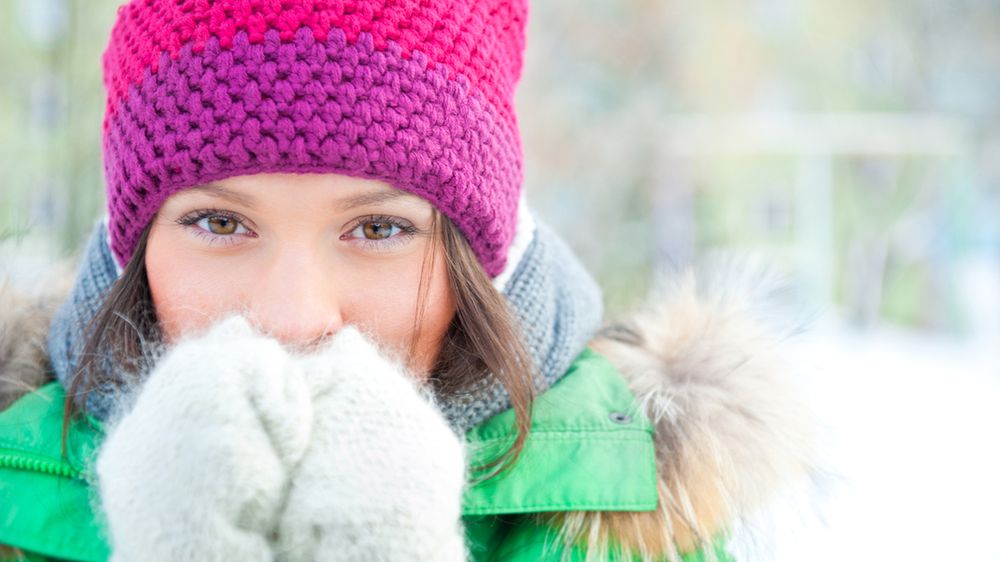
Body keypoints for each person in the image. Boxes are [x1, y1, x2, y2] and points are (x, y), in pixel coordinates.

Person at [0, 1, 816, 560]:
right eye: (220, 224)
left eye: (378, 229)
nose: (292, 317)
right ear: (131, 246)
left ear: (479, 258)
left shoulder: (639, 513)